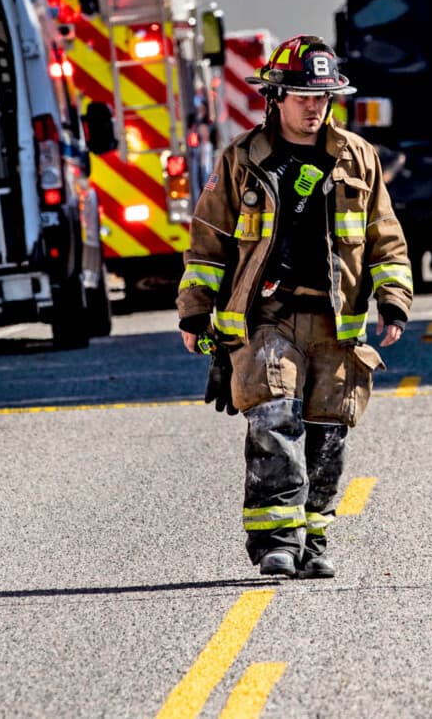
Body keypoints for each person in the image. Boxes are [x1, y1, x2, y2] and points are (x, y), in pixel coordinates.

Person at [176, 35, 413, 579]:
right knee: (274, 420)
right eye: (304, 95)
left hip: (336, 322)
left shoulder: (357, 158)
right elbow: (208, 239)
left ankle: (313, 539)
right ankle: (276, 542)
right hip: (267, 317)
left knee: (327, 432)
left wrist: (393, 300)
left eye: (323, 97)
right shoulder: (241, 159)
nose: (315, 106)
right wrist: (194, 311)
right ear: (276, 97)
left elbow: (386, 236)